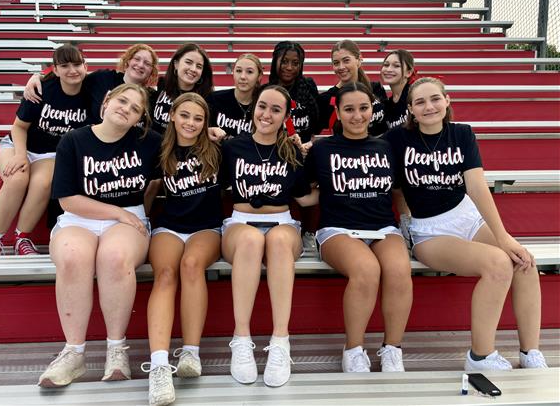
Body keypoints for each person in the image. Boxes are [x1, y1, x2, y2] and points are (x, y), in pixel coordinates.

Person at [384, 77, 548, 371]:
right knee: (498, 264)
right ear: (410, 109)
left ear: (447, 101)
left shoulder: (461, 134)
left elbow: (476, 186)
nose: (429, 106)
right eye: (420, 102)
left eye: (435, 99)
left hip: (466, 216)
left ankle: (530, 352)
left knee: (524, 261)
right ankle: (480, 356)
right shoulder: (397, 139)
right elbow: (389, 181)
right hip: (429, 230)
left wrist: (505, 237)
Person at [38, 84, 162, 388]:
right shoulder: (74, 140)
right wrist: (118, 213)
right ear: (107, 100)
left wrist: (215, 133)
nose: (126, 109)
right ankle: (74, 353)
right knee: (71, 257)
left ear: (139, 119)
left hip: (129, 218)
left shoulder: (149, 142)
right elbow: (67, 200)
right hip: (81, 216)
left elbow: (184, 149)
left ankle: (116, 349)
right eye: (122, 101)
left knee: (115, 257)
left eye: (135, 108)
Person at [305, 81, 412, 373]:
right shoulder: (322, 148)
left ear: (372, 110)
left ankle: (393, 348)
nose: (357, 116)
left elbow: (398, 190)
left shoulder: (386, 146)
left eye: (363, 108)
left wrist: (406, 222)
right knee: (366, 270)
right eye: (349, 109)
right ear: (337, 113)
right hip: (337, 229)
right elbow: (306, 192)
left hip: (381, 227)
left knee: (399, 270)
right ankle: (353, 349)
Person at [220, 85, 316, 388]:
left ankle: (280, 340)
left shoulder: (293, 151)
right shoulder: (232, 147)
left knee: (274, 240)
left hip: (282, 221)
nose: (267, 114)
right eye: (263, 106)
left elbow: (305, 200)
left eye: (276, 109)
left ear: (286, 115)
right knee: (250, 239)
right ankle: (241, 338)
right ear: (254, 109)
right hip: (239, 222)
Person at [143, 93, 222, 406]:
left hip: (207, 228)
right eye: (185, 116)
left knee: (191, 264)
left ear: (206, 123)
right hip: (170, 226)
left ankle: (191, 353)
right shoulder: (158, 148)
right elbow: (149, 188)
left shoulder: (217, 149)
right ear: (173, 115)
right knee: (164, 274)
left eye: (198, 118)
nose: (191, 123)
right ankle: (160, 367)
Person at [0, 44, 89, 256]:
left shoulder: (91, 91)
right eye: (65, 66)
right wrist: (21, 155)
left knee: (44, 182)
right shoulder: (43, 89)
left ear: (85, 66)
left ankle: (22, 238)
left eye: (77, 64)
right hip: (18, 144)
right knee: (18, 177)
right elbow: (19, 127)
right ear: (55, 70)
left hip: (50, 153)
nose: (72, 70)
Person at [24, 43, 159, 122]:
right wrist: (39, 76)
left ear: (151, 70)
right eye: (137, 59)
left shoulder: (152, 97)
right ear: (128, 61)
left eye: (147, 63)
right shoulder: (102, 78)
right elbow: (73, 77)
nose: (140, 65)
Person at [317, 40, 387, 136]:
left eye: (346, 61)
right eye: (336, 63)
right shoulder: (325, 99)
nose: (341, 67)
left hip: (379, 149)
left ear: (359, 60)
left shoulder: (376, 89)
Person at [151, 42, 214, 134]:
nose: (193, 69)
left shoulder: (206, 98)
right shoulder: (163, 83)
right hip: (155, 144)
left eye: (199, 66)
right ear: (176, 64)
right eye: (188, 62)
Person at [266, 41, 319, 146]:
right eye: (284, 61)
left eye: (295, 63)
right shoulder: (266, 92)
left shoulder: (309, 86)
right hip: (275, 153)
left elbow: (316, 123)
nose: (289, 67)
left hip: (304, 152)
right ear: (275, 61)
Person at [206, 53, 263, 138]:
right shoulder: (214, 99)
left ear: (259, 76)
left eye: (249, 72)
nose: (243, 76)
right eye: (239, 71)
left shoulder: (263, 105)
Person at [379, 49, 416, 130]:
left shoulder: (415, 96)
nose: (388, 69)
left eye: (396, 66)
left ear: (409, 73)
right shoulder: (388, 104)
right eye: (386, 65)